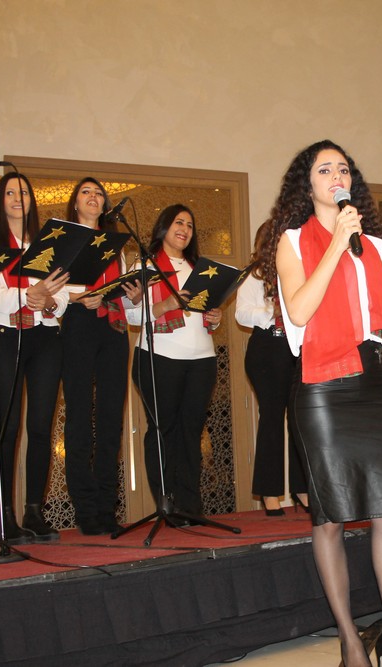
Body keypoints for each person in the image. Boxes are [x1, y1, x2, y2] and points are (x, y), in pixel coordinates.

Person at [266, 139, 382, 667]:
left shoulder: (372, 246)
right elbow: (298, 311)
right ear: (307, 184)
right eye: (324, 169)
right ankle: (350, 640)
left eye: (343, 169)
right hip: (321, 390)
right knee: (330, 520)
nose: (337, 176)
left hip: (374, 383)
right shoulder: (292, 241)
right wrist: (336, 243)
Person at [0, 173, 70, 543]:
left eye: (23, 192)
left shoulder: (46, 244)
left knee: (40, 427)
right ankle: (3, 516)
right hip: (5, 337)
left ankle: (35, 511)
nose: (17, 198)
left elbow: (62, 296)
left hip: (45, 338)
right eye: (9, 192)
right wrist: (29, 294)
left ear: (32, 200)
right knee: (7, 428)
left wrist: (47, 300)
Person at [126, 204, 220, 523]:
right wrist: (165, 305)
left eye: (190, 225)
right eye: (179, 222)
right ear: (164, 227)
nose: (185, 229)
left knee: (191, 434)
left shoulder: (200, 268)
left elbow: (205, 313)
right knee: (162, 432)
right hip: (159, 357)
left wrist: (215, 317)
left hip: (201, 360)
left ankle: (191, 507)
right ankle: (167, 506)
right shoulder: (144, 265)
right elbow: (130, 315)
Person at [60, 177, 141, 536]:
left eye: (98, 193)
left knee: (111, 418)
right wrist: (78, 297)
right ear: (75, 203)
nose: (93, 197)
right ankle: (86, 508)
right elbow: (51, 288)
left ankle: (108, 506)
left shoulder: (116, 246)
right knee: (79, 417)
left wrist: (133, 295)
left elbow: (122, 296)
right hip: (78, 323)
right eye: (86, 192)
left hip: (113, 327)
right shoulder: (65, 240)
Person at [235, 221, 308, 516]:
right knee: (272, 418)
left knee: (300, 419)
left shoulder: (296, 271)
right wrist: (272, 310)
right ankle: (269, 492)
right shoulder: (254, 274)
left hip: (295, 349)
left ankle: (302, 488)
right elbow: (241, 313)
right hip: (267, 349)